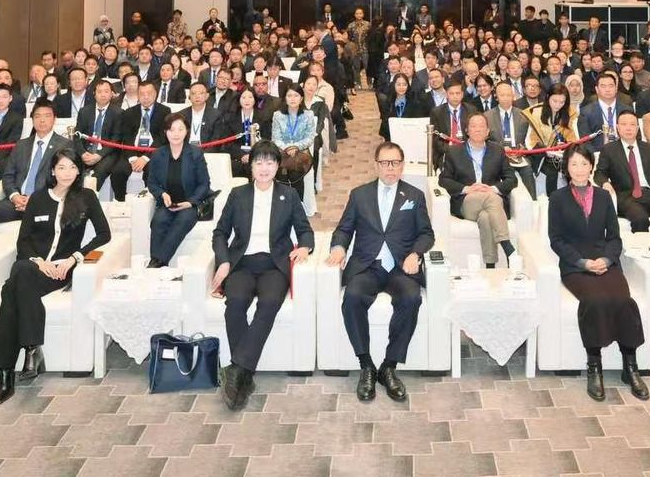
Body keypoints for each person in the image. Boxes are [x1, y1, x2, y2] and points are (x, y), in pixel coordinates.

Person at [0, 148, 110, 402]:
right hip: (34, 266)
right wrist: (38, 261)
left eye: (73, 167)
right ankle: (30, 350)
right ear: (53, 171)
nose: (67, 173)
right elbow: (23, 241)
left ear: (79, 171)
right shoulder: (38, 199)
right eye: (62, 167)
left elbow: (104, 235)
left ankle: (6, 371)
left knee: (11, 288)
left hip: (61, 269)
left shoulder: (86, 197)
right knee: (18, 277)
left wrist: (75, 257)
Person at [326, 141, 434, 403]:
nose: (390, 168)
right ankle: (366, 366)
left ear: (402, 165)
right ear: (376, 165)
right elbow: (344, 229)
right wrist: (339, 248)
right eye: (385, 163)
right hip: (368, 265)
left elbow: (426, 234)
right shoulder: (359, 195)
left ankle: (389, 367)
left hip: (400, 267)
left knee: (411, 298)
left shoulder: (414, 195)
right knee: (352, 298)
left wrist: (415, 254)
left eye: (395, 162)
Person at [210, 142, 314, 409]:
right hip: (242, 263)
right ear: (251, 166)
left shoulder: (288, 195)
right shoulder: (238, 195)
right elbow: (220, 233)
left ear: (278, 166)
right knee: (235, 304)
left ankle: (237, 370)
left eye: (270, 162)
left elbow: (305, 230)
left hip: (274, 264)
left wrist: (304, 247)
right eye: (259, 162)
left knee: (268, 303)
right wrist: (223, 262)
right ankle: (244, 376)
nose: (264, 168)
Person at [548, 144, 650, 401]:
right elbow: (556, 240)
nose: (579, 169)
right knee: (594, 300)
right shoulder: (557, 199)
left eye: (584, 163)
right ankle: (594, 366)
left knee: (623, 301)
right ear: (566, 168)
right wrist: (582, 262)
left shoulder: (604, 197)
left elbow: (615, 237)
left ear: (591, 167)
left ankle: (630, 367)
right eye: (574, 164)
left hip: (605, 262)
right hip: (575, 266)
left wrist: (605, 259)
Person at [437, 113, 518, 267]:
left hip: (492, 202)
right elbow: (444, 179)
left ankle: (490, 266)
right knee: (491, 198)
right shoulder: (454, 151)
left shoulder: (497, 150)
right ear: (467, 130)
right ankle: (508, 248)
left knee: (486, 217)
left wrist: (493, 188)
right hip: (467, 202)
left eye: (481, 126)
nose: (478, 129)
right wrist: (466, 188)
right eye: (473, 126)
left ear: (487, 131)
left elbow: (511, 179)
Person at [594, 112, 650, 231]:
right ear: (617, 127)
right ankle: (642, 244)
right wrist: (605, 183)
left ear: (638, 128)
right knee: (640, 219)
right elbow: (599, 173)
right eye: (624, 124)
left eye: (632, 124)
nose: (628, 128)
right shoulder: (609, 149)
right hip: (626, 197)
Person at [0, 101, 75, 224]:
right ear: (32, 120)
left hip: (46, 203)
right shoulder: (21, 145)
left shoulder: (64, 145)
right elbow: (8, 176)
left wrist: (36, 199)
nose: (42, 120)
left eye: (47, 116)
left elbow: (64, 180)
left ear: (54, 119)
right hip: (17, 202)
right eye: (37, 116)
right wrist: (14, 196)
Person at [146, 114, 211, 267]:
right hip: (168, 203)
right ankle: (157, 262)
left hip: (189, 204)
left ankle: (157, 262)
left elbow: (204, 184)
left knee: (182, 221)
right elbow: (152, 183)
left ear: (186, 131)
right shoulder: (158, 154)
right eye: (172, 129)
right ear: (165, 132)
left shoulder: (195, 153)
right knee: (158, 221)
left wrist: (191, 202)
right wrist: (162, 194)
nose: (176, 134)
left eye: (180, 129)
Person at [112, 81, 169, 197]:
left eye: (149, 93)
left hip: (153, 151)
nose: (146, 97)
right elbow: (126, 137)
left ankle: (151, 201)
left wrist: (145, 158)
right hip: (132, 150)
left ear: (155, 94)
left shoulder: (165, 111)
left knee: (152, 172)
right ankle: (121, 201)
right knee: (118, 172)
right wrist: (133, 158)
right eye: (142, 94)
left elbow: (162, 138)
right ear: (138, 95)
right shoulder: (129, 112)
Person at [525, 86, 579, 195]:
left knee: (574, 167)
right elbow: (530, 140)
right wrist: (546, 151)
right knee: (551, 170)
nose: (558, 105)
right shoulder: (536, 112)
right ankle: (552, 199)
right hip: (541, 155)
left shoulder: (570, 113)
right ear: (548, 97)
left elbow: (574, 139)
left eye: (562, 102)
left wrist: (565, 148)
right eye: (555, 101)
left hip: (563, 154)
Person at [75, 78, 122, 195]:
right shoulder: (84, 111)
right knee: (72, 168)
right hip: (86, 150)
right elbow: (77, 135)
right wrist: (82, 153)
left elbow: (116, 139)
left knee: (98, 173)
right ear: (94, 94)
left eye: (106, 91)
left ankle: (88, 199)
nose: (103, 95)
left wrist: (99, 155)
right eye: (99, 91)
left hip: (107, 152)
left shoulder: (118, 113)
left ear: (112, 94)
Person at [271, 86, 318, 188]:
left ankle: (297, 198)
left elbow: (310, 137)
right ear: (285, 98)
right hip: (282, 153)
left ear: (301, 99)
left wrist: (295, 147)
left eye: (296, 96)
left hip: (301, 153)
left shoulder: (308, 115)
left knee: (295, 174)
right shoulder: (277, 115)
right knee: (281, 175)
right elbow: (276, 138)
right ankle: (283, 198)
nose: (293, 99)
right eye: (289, 96)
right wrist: (287, 148)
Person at [429, 80, 471, 169]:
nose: (455, 96)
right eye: (451, 94)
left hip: (467, 152)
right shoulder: (437, 112)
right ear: (446, 95)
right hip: (446, 152)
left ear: (462, 94)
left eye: (458, 93)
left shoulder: (471, 110)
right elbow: (435, 138)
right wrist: (451, 149)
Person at [578, 71, 627, 145]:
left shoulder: (626, 110)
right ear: (597, 89)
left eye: (611, 86)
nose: (607, 89)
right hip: (597, 151)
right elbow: (585, 142)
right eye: (603, 86)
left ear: (616, 88)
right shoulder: (586, 113)